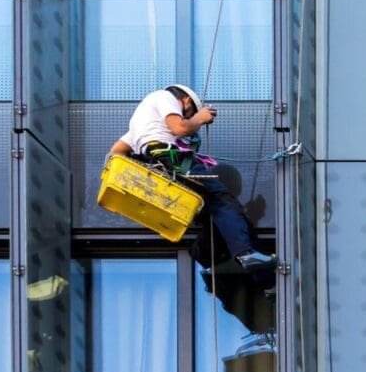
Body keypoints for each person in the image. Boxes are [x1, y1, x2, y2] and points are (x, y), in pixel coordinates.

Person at [107, 84, 275, 270]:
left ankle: (209, 256)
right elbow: (181, 128)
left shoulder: (140, 123)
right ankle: (246, 254)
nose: (186, 117)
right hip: (171, 160)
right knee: (222, 201)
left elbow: (116, 152)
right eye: (187, 113)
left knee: (213, 212)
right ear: (186, 100)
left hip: (158, 163)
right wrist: (199, 118)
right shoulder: (164, 97)